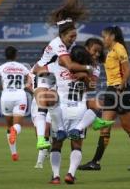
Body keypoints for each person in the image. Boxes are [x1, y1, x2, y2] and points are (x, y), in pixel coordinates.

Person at [32, 0, 112, 148]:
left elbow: (67, 65)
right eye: (71, 36)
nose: (74, 39)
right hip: (39, 73)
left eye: (75, 36)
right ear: (62, 35)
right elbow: (68, 65)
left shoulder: (67, 45)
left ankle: (91, 121)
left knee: (69, 97)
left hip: (51, 73)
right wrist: (88, 69)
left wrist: (83, 73)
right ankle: (42, 139)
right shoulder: (57, 44)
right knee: (44, 103)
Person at [79, 26, 130, 171]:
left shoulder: (119, 48)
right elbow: (98, 59)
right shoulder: (110, 52)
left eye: (105, 36)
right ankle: (95, 162)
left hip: (120, 90)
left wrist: (120, 87)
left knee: (127, 126)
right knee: (105, 127)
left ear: (112, 36)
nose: (103, 39)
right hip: (111, 90)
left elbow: (128, 70)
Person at [40, 45, 99, 184]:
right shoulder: (87, 70)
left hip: (61, 111)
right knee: (77, 146)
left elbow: (40, 72)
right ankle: (70, 174)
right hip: (79, 111)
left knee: (56, 145)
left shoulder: (58, 67)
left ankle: (55, 177)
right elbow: (92, 87)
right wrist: (85, 76)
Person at [0, 46, 31, 161]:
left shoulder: (1, 67)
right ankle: (15, 131)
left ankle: (14, 153)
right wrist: (27, 84)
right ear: (16, 55)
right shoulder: (21, 67)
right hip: (19, 96)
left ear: (5, 55)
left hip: (6, 97)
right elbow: (30, 77)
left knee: (9, 126)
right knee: (17, 126)